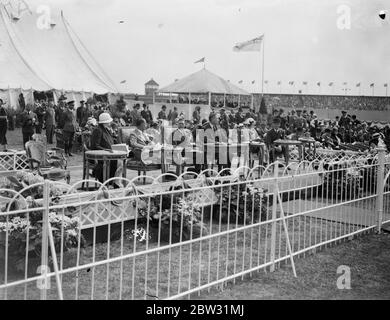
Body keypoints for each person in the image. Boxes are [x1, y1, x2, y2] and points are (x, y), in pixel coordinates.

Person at [90, 113, 121, 186]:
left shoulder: (106, 130)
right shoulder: (98, 130)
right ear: (105, 122)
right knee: (118, 162)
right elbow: (95, 145)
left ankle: (115, 181)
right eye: (109, 121)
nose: (110, 122)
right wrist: (106, 150)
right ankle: (113, 181)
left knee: (121, 161)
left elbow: (111, 141)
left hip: (108, 154)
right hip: (100, 155)